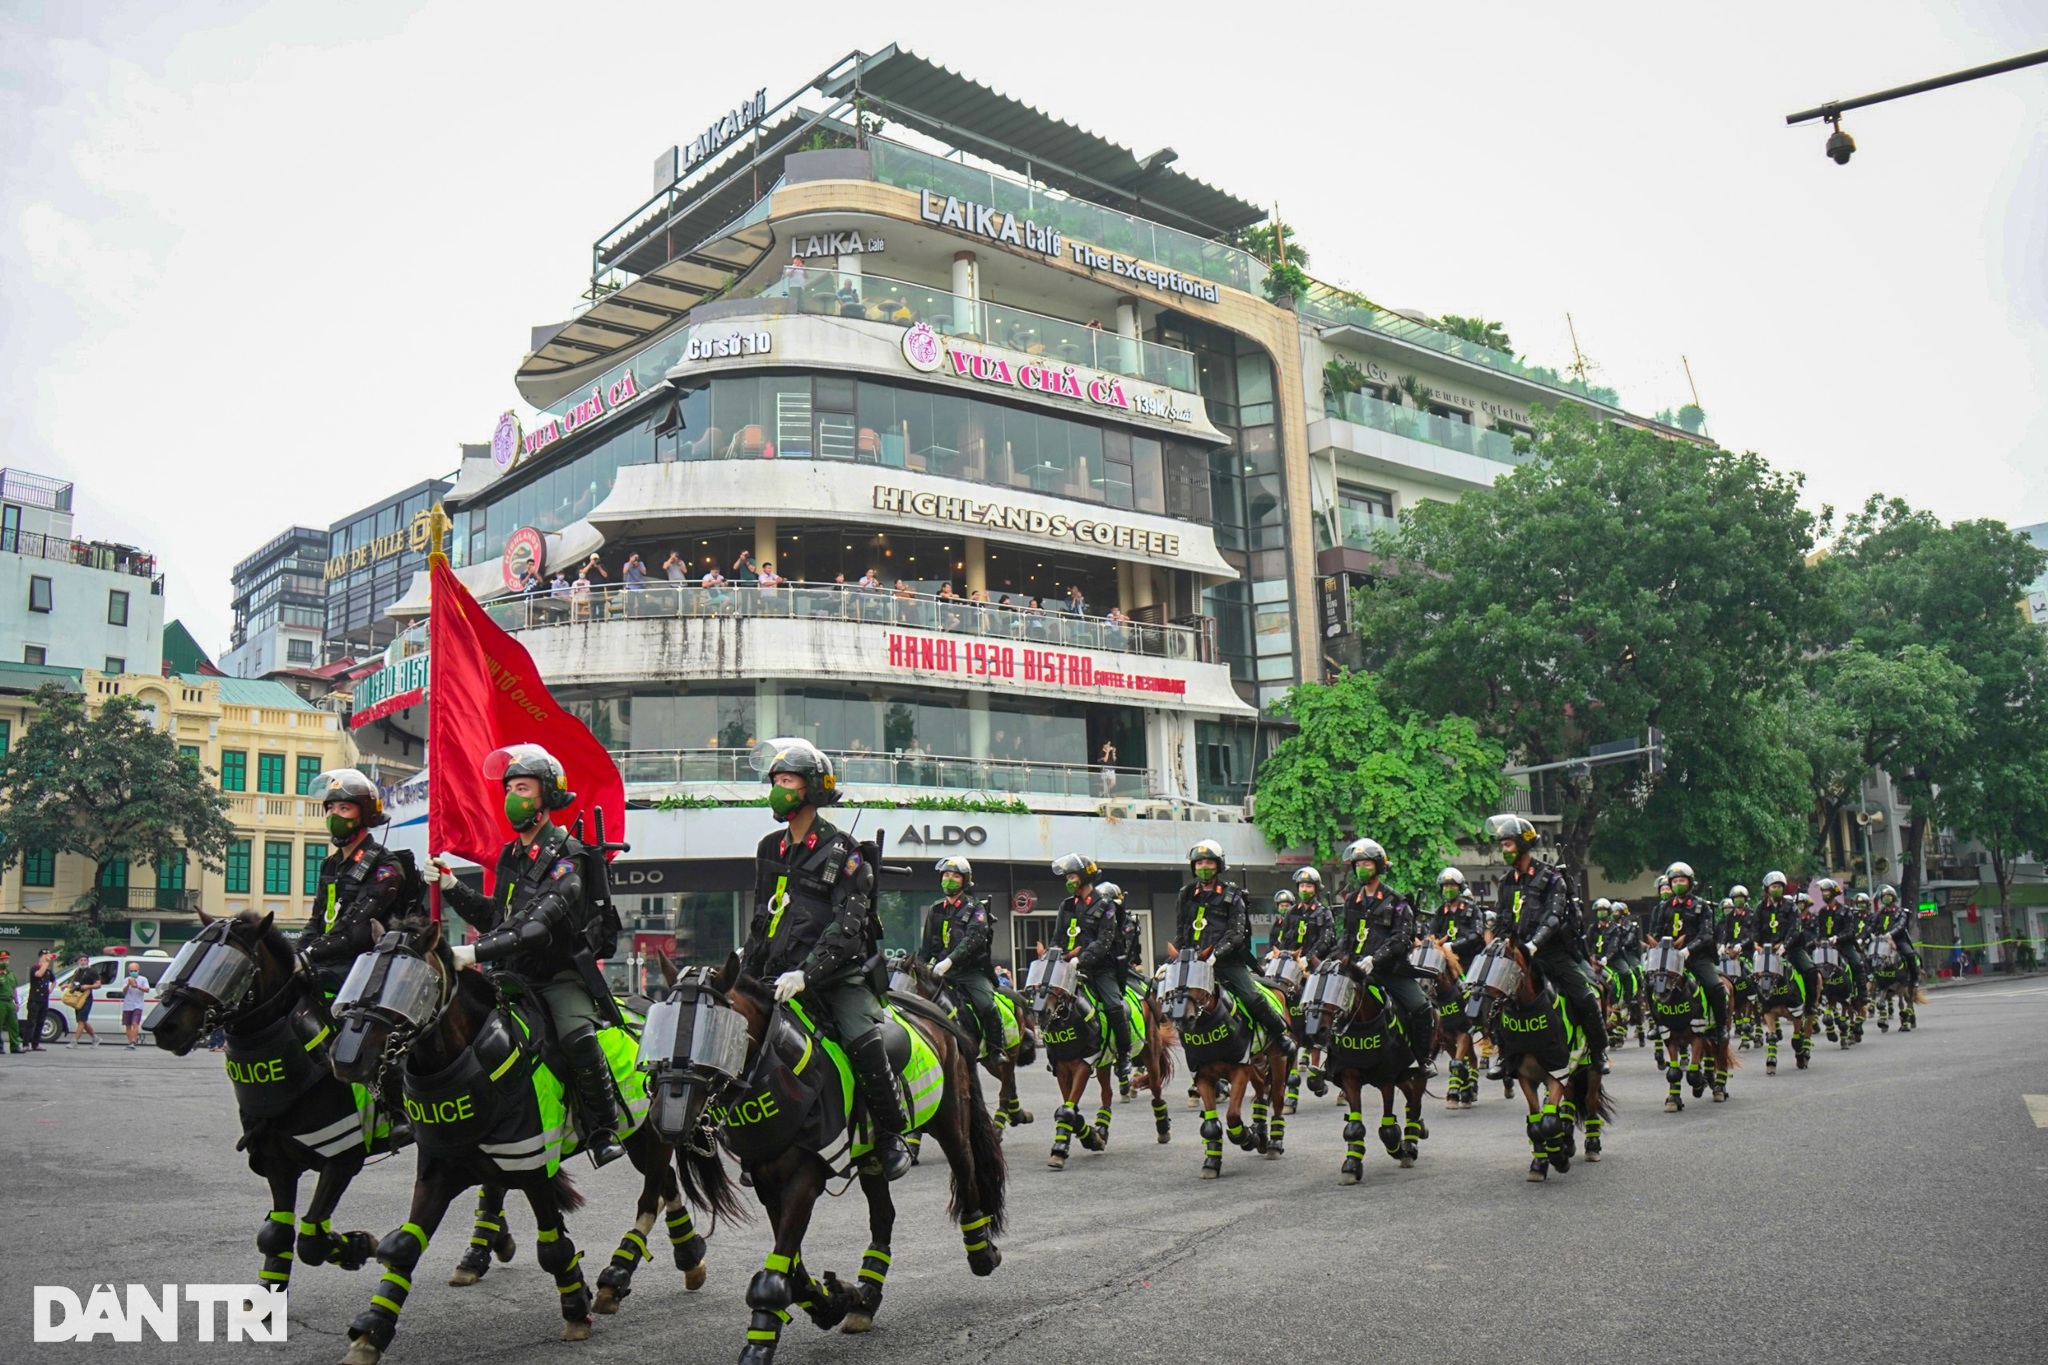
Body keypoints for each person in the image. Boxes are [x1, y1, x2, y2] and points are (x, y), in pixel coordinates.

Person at [431, 745, 628, 1168]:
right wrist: (452, 888)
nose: (513, 797)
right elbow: (497, 916)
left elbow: (535, 928)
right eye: (510, 789)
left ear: (548, 797)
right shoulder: (511, 854)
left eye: (524, 788)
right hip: (511, 976)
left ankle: (602, 1127)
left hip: (559, 977)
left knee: (578, 1038)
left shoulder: (568, 856)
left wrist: (474, 952)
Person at [732, 739, 910, 1180]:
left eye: (786, 781)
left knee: (861, 1042)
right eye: (774, 781)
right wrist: (743, 963)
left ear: (811, 788)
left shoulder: (842, 851)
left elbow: (848, 928)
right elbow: (763, 917)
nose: (776, 789)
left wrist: (807, 975)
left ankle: (891, 1133)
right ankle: (754, 1139)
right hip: (775, 975)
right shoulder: (768, 848)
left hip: (835, 978)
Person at [1483, 813, 1609, 1075]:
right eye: (1502, 845)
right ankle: (1505, 1055)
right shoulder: (1506, 882)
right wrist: (1500, 943)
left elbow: (1553, 918)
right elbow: (1504, 920)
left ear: (1522, 844)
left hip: (1551, 954)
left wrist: (1533, 945)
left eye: (1507, 845)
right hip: (1516, 957)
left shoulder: (1551, 878)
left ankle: (1598, 1050)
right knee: (1490, 998)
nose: (1502, 850)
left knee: (1585, 997)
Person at [1169, 840, 1294, 1057]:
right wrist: (1179, 959)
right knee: (1172, 998)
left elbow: (1236, 934)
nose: (1203, 867)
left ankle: (1280, 1034)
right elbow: (1182, 932)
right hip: (1194, 965)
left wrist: (1216, 954)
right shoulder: (1185, 893)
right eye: (1198, 863)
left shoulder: (1232, 894)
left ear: (1218, 865)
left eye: (1208, 862)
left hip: (1227, 962)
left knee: (1252, 997)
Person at [1335, 839, 1436, 1077]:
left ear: (1379, 867)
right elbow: (1346, 936)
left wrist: (1375, 960)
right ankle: (1331, 1060)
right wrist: (1340, 958)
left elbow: (1401, 939)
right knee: (1326, 1003)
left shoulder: (1398, 902)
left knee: (1422, 1007)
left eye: (1367, 863)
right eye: (1358, 864)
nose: (1361, 868)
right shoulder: (1351, 901)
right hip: (1355, 971)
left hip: (1390, 972)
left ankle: (1421, 1060)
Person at [1051, 853, 1136, 1083]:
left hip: (1100, 969)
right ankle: (1055, 1054)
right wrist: (1054, 957)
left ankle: (1124, 1054)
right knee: (1045, 1002)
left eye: (1072, 876)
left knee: (1114, 1006)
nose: (1069, 881)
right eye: (1067, 877)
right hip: (1067, 969)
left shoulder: (1105, 905)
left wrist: (1083, 958)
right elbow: (1057, 938)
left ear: (1085, 877)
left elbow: (1104, 941)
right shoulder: (1066, 905)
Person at [919, 857, 1002, 1059]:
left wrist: (949, 962)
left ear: (965, 881)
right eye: (946, 875)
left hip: (970, 972)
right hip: (941, 974)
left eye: (955, 876)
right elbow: (927, 946)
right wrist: (919, 968)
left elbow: (973, 938)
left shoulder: (975, 908)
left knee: (987, 1006)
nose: (950, 879)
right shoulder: (935, 909)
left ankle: (996, 1049)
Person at [1649, 862, 1726, 1042]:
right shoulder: (1663, 907)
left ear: (1690, 883)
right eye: (1674, 881)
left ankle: (1720, 1026)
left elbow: (1707, 934)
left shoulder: (1701, 906)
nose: (1678, 884)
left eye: (1682, 880)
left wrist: (1688, 949)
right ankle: (1657, 1023)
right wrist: (1660, 946)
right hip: (1670, 959)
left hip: (1698, 957)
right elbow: (1657, 932)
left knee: (1715, 986)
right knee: (1649, 983)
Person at [1749, 870, 1816, 1008]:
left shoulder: (1791, 906)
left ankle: (1810, 1006)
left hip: (1791, 949)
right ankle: (1759, 1005)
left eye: (1779, 886)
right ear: (1767, 889)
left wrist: (1784, 946)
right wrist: (1757, 944)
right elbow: (1755, 928)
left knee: (1811, 971)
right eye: (1774, 887)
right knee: (1750, 976)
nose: (1777, 889)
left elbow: (1795, 929)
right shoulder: (1759, 908)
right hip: (1766, 951)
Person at [1813, 878, 1868, 1007]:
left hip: (1843, 945)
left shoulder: (1845, 910)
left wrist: (1837, 938)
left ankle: (1863, 994)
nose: (1824, 894)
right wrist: (1819, 940)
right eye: (1823, 892)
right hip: (1826, 947)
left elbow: (1850, 930)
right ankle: (1816, 996)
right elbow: (1820, 931)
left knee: (1858, 964)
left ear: (1833, 893)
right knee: (1812, 967)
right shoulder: (1822, 912)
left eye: (1826, 891)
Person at [1429, 869, 1486, 966]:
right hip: (1444, 960)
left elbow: (1476, 936)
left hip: (1470, 960)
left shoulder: (1472, 909)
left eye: (1452, 885)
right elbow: (1432, 935)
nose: (1449, 889)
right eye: (1446, 886)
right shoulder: (1440, 912)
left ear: (1460, 888)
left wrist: (1453, 945)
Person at [1875, 884, 1922, 992]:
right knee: (1871, 956)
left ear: (1893, 898)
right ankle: (1875, 981)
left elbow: (1900, 926)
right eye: (1884, 897)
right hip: (1882, 942)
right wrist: (1865, 938)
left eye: (1889, 896)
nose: (1886, 899)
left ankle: (1914, 979)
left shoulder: (1901, 912)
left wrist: (1890, 934)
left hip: (1898, 940)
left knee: (1910, 954)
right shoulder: (1879, 913)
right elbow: (1873, 926)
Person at [69, 953, 102, 1045]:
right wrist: (66, 986)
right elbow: (73, 983)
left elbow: (98, 984)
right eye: (81, 960)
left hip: (86, 998)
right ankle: (95, 1038)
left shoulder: (92, 972)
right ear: (78, 961)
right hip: (77, 997)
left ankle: (74, 1041)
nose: (83, 962)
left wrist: (89, 986)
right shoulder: (77, 972)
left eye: (85, 960)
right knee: (82, 1020)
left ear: (88, 962)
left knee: (81, 1020)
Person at [25, 950, 55, 1051]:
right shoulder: (35, 968)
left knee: (41, 1022)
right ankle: (25, 1044)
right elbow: (38, 974)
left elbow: (54, 981)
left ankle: (36, 1044)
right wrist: (46, 963)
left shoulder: (48, 970)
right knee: (31, 1022)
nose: (49, 957)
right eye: (46, 955)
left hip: (44, 999)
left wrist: (50, 990)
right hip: (34, 999)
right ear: (42, 956)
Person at [120, 963, 148, 1049]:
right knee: (128, 1024)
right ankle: (130, 1042)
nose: (133, 972)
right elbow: (123, 991)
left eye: (135, 971)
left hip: (138, 1005)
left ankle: (133, 1042)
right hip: (127, 1005)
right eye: (131, 971)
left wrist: (137, 986)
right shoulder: (126, 980)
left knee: (135, 1023)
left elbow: (147, 989)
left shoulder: (143, 979)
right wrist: (129, 984)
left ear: (138, 970)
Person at [0, 951, 19, 1055]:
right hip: (1, 1002)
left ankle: (15, 1046)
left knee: (14, 1025)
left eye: (6, 960)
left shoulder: (11, 973)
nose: (5, 962)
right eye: (2, 960)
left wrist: (16, 1002)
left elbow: (14, 988)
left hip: (10, 1002)